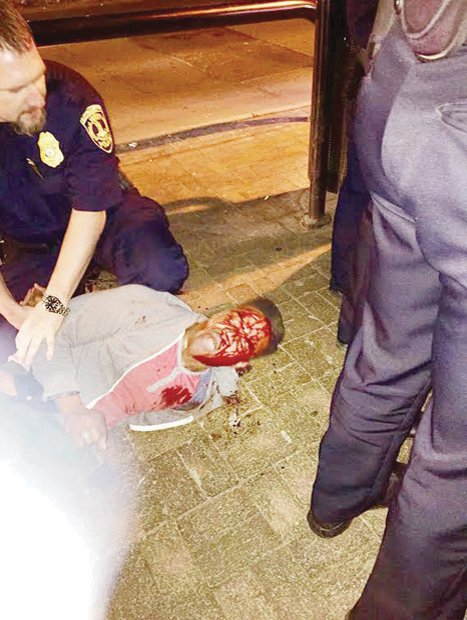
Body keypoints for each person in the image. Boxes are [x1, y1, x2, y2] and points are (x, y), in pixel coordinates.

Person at [308, 1, 467, 618]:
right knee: (457, 455)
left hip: (397, 95)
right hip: (455, 127)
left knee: (389, 346)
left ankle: (338, 498)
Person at [0, 1, 188, 367]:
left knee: (160, 268)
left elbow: (90, 210)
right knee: (14, 344)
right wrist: (11, 311)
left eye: (36, 75)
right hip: (31, 241)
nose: (37, 96)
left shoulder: (70, 96)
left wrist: (54, 304)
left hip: (104, 214)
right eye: (16, 89)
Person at [3, 284, 284, 448]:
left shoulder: (203, 394)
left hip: (66, 436)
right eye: (233, 320)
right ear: (223, 312)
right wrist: (71, 408)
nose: (226, 333)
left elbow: (149, 415)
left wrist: (106, 425)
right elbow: (50, 330)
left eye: (242, 340)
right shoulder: (146, 307)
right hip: (27, 380)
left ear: (240, 361)